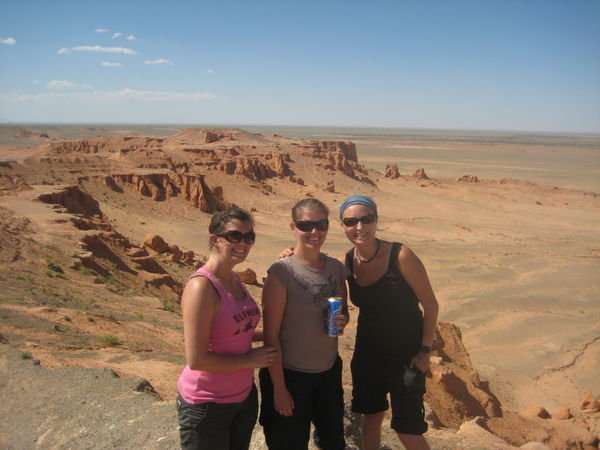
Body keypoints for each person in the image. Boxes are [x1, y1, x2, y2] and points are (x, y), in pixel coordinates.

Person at [339, 194, 439, 450]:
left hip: (407, 358)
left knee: (408, 431)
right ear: (343, 226)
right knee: (370, 422)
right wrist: (291, 253)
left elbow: (431, 305)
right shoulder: (346, 262)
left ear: (375, 221)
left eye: (366, 219)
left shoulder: (401, 255)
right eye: (351, 221)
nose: (359, 227)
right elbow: (340, 309)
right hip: (368, 355)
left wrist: (424, 352)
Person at [176, 207, 278, 450]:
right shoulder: (202, 288)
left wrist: (275, 334)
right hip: (208, 404)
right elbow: (197, 359)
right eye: (234, 236)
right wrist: (249, 360)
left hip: (243, 397)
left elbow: (234, 333)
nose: (243, 243)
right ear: (215, 239)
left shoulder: (234, 279)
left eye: (249, 237)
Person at [260, 198, 349, 450]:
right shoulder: (281, 273)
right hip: (290, 375)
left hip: (328, 371)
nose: (314, 232)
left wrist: (342, 320)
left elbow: (343, 311)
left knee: (333, 442)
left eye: (321, 224)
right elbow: (271, 335)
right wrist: (279, 388)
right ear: (293, 227)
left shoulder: (335, 268)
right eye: (305, 225)